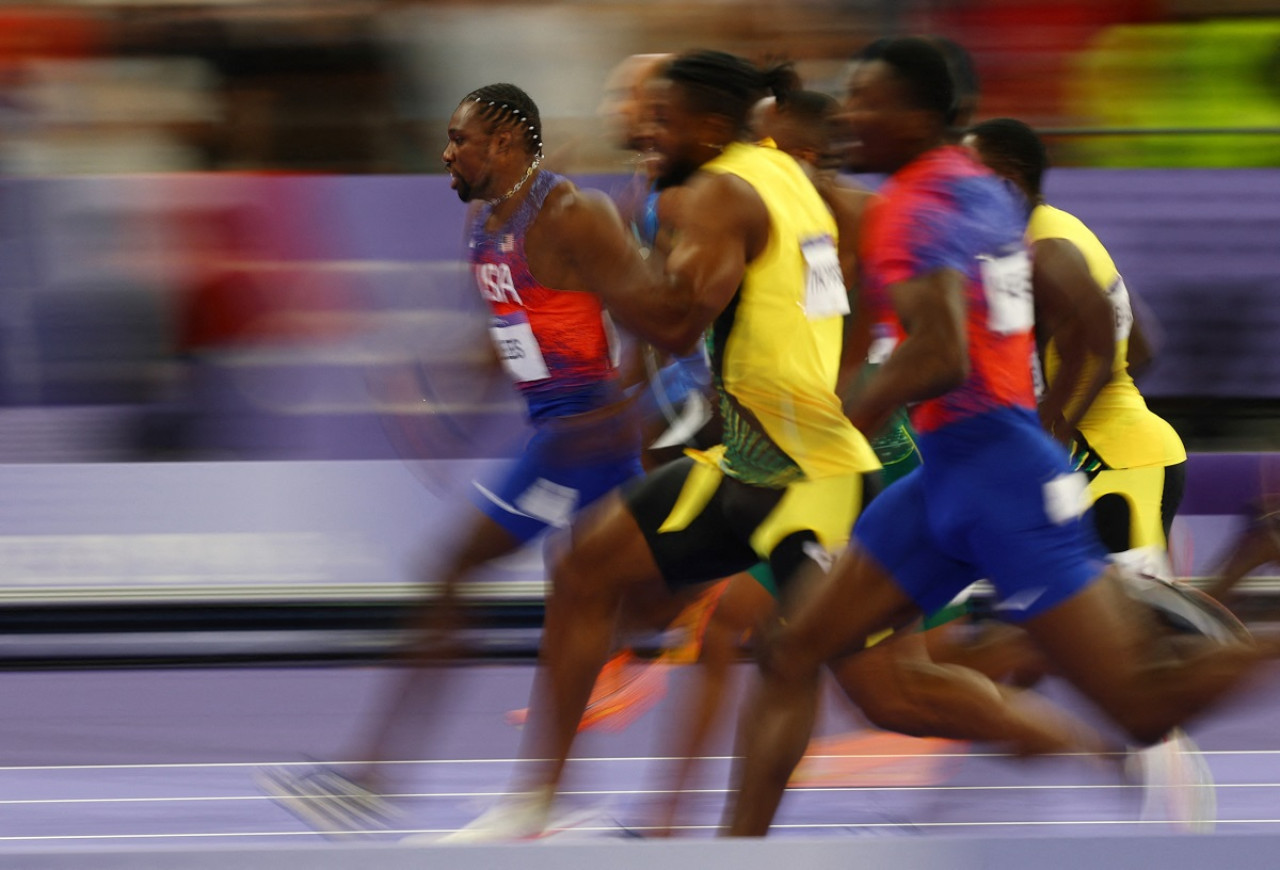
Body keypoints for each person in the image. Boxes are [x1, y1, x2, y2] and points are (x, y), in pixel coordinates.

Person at [726, 35, 1273, 837]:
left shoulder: (917, 205)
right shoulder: (978, 189)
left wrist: (850, 417)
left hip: (1002, 481)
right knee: (791, 650)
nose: (852, 112)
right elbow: (1038, 315)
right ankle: (737, 853)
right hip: (947, 476)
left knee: (1147, 705)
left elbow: (942, 354)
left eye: (869, 99)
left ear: (920, 115)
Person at [443, 49, 885, 841]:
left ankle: (1122, 709)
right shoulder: (790, 176)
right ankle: (541, 806)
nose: (647, 131)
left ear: (713, 128)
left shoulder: (717, 192)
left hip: (801, 471)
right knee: (589, 571)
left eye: (662, 120)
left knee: (886, 691)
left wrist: (598, 261)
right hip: (761, 460)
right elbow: (816, 298)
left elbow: (677, 323)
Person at [258, 82, 649, 828]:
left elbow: (654, 319)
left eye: (458, 138)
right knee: (584, 610)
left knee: (455, 573)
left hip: (585, 444)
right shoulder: (483, 222)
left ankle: (380, 774)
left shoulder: (566, 214)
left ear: (503, 144)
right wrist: (443, 414)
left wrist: (633, 410)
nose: (445, 152)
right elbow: (506, 332)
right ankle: (544, 793)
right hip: (555, 436)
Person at [963, 118, 1186, 577]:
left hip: (1118, 468)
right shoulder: (1061, 228)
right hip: (1118, 455)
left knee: (1148, 633)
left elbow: (1098, 353)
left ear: (1006, 178)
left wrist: (1054, 435)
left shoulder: (1045, 249)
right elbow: (1140, 349)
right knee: (1095, 631)